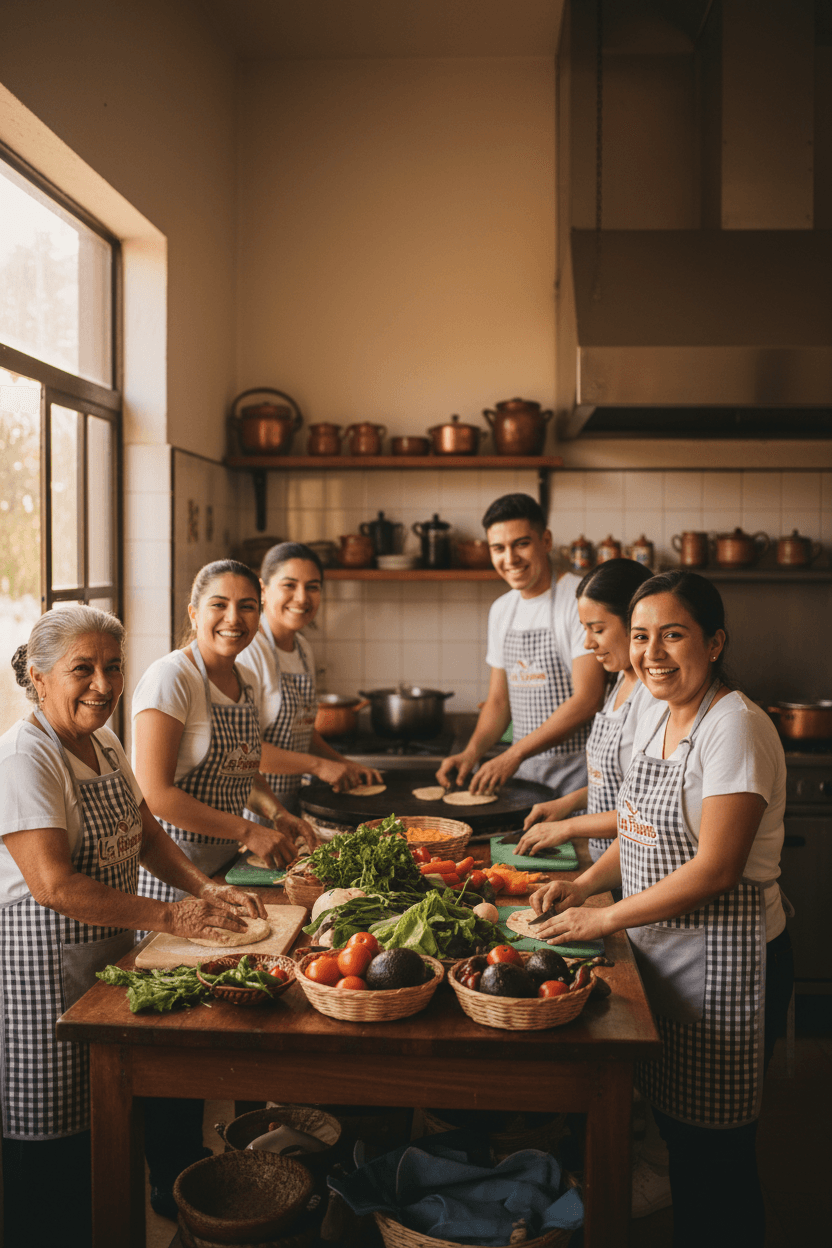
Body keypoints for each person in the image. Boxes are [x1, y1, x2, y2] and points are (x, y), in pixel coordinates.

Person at [528, 571, 794, 1248]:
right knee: (680, 1139)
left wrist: (604, 919)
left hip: (729, 967)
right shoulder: (660, 714)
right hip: (669, 956)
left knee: (717, 1160)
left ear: (714, 641)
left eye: (673, 635)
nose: (652, 652)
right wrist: (586, 885)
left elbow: (715, 868)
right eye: (641, 636)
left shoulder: (734, 726)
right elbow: (640, 827)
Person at [0, 607, 267, 1248]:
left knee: (111, 1131)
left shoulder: (104, 740)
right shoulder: (25, 755)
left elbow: (143, 829)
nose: (102, 684)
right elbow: (53, 885)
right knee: (54, 1146)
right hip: (42, 975)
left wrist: (203, 886)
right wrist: (172, 915)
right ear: (39, 678)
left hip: (109, 957)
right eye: (82, 670)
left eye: (113, 667)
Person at [132, 558, 317, 899]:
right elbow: (154, 794)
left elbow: (240, 771)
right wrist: (248, 831)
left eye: (247, 607)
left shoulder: (245, 680)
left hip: (226, 871)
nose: (233, 618)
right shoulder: (171, 678)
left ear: (258, 616)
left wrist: (277, 814)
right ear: (194, 614)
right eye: (219, 605)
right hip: (174, 874)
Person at [436, 493, 605, 795]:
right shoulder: (502, 609)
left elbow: (587, 699)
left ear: (547, 540)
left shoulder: (579, 599)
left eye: (521, 544)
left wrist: (513, 754)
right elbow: (499, 703)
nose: (510, 559)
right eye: (498, 548)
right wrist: (471, 753)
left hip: (580, 776)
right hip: (524, 777)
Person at [515, 558, 654, 863]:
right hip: (611, 865)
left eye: (598, 629)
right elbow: (615, 783)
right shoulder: (619, 681)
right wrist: (567, 804)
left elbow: (647, 811)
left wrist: (568, 827)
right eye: (584, 630)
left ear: (635, 622)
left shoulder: (653, 698)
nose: (588, 643)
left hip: (637, 865)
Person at [239, 542, 381, 815]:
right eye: (289, 585)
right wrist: (318, 766)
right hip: (253, 805)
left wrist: (342, 763)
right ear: (263, 590)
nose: (302, 597)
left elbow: (302, 732)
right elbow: (244, 751)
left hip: (290, 802)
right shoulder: (249, 650)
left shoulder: (302, 649)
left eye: (312, 587)